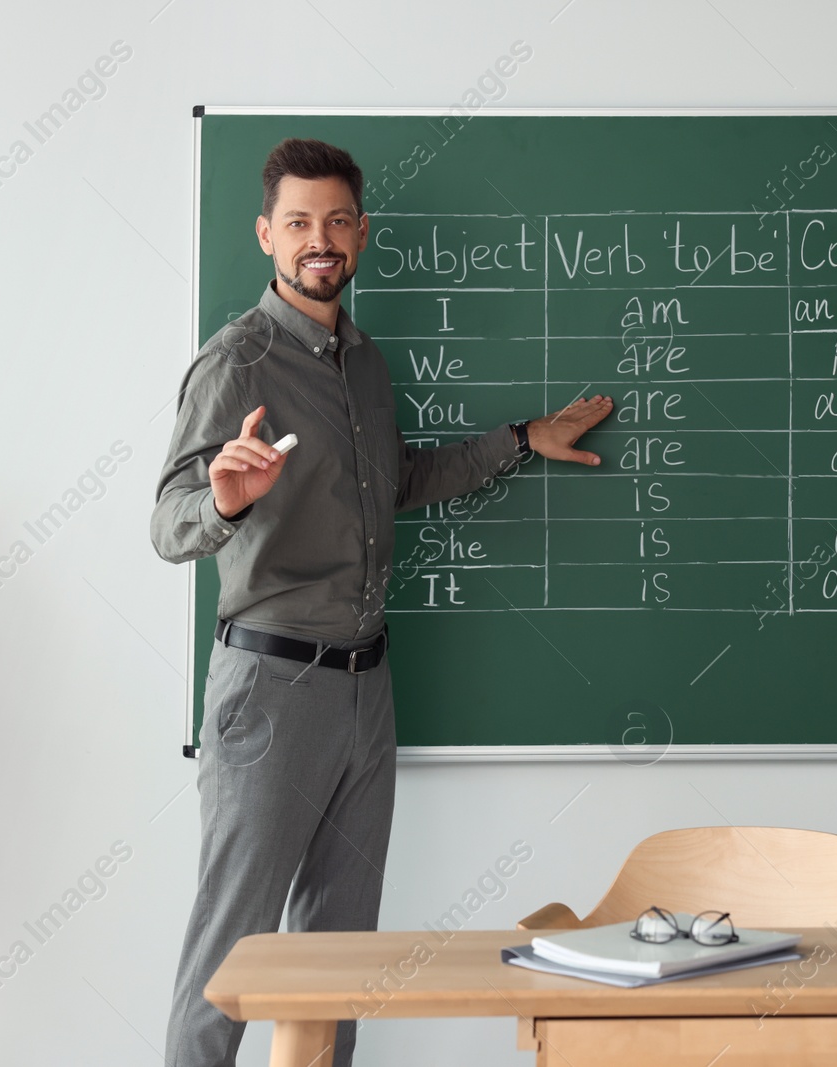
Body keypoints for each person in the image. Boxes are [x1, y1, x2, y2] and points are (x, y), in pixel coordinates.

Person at [151, 138, 611, 1067]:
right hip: (272, 691)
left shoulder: (365, 363)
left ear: (359, 232)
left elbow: (395, 481)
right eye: (297, 224)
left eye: (335, 221)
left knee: (339, 958)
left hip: (368, 688)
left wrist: (520, 439)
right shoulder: (236, 365)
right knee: (232, 954)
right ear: (265, 236)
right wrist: (224, 502)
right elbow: (168, 526)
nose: (318, 240)